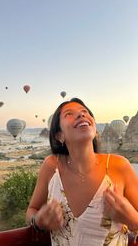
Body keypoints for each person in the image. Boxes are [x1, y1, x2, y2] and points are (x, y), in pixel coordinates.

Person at [26, 97, 138, 245]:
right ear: (59, 135)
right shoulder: (51, 166)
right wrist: (39, 220)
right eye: (69, 114)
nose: (81, 115)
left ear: (95, 129)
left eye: (85, 112)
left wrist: (132, 219)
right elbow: (31, 211)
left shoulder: (119, 166)